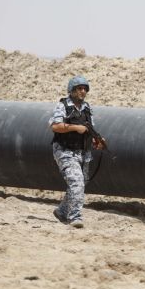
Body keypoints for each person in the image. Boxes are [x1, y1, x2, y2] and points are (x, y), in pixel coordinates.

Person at [48, 76, 105, 228]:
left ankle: (62, 211)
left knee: (79, 184)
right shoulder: (63, 106)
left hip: (83, 153)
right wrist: (75, 128)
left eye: (85, 89)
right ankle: (75, 217)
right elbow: (55, 126)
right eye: (79, 88)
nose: (83, 91)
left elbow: (90, 129)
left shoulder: (87, 108)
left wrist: (96, 141)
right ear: (72, 90)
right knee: (76, 183)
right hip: (65, 151)